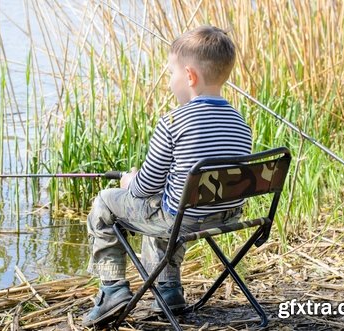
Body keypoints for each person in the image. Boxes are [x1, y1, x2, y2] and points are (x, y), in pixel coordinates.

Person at [83, 25, 253, 328]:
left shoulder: (173, 122)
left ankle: (112, 290)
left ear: (189, 76)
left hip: (181, 219)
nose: (169, 81)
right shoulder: (239, 122)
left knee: (105, 204)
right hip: (224, 215)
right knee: (166, 207)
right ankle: (169, 290)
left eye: (170, 74)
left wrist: (128, 181)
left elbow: (144, 187)